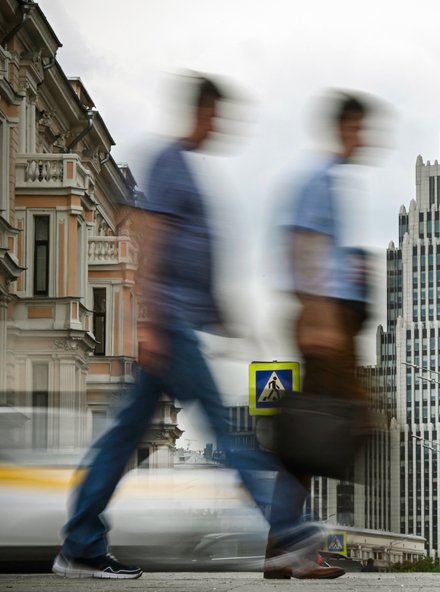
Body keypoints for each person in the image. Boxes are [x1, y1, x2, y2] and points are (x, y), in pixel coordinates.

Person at [54, 76, 339, 580]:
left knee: (122, 438)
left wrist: (221, 312)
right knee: (229, 436)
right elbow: (151, 235)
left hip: (181, 319)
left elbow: (190, 248)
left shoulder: (183, 167)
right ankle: (290, 531)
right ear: (201, 112)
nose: (221, 126)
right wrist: (148, 321)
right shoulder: (170, 163)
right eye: (217, 115)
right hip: (171, 322)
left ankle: (80, 542)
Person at [265, 93, 374, 579]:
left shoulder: (329, 178)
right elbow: (304, 243)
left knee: (307, 442)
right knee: (341, 428)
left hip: (333, 317)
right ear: (344, 127)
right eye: (359, 128)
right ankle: (290, 542)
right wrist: (319, 315)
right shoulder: (320, 177)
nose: (364, 138)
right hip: (327, 321)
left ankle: (282, 545)